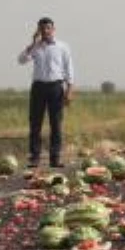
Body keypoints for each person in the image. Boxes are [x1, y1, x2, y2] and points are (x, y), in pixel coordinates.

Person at [17, 17, 75, 168]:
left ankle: (55, 158)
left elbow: (69, 68)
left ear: (53, 29)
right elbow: (21, 60)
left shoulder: (63, 47)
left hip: (56, 87)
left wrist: (69, 89)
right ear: (39, 30)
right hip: (38, 87)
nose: (45, 31)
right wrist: (32, 43)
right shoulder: (35, 47)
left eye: (48, 28)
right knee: (35, 123)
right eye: (42, 29)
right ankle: (35, 157)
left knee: (56, 123)